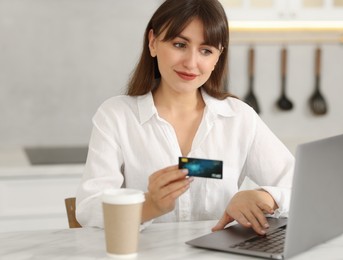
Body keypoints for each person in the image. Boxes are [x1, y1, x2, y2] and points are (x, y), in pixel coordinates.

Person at [76, 0, 294, 235]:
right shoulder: (116, 116)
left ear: (217, 57)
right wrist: (150, 205)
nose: (191, 63)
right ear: (153, 42)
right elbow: (89, 208)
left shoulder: (239, 117)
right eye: (179, 44)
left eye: (206, 51)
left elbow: (302, 185)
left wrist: (264, 197)